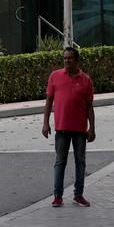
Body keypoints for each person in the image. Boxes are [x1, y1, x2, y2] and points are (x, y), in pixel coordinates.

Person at [41, 46, 95, 207]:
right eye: (65, 58)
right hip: (61, 128)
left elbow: (89, 106)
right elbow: (49, 101)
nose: (67, 61)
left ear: (77, 60)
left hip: (79, 129)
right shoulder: (55, 76)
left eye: (70, 58)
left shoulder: (85, 80)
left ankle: (79, 194)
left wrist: (92, 127)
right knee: (60, 162)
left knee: (80, 162)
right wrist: (45, 123)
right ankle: (57, 195)